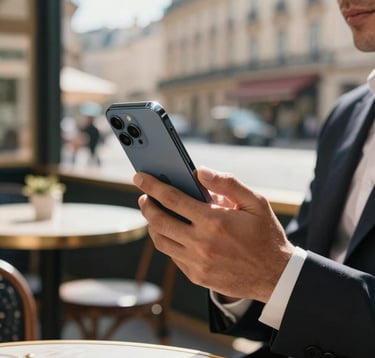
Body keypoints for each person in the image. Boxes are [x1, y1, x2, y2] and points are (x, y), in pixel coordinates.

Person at [133, 1, 375, 357]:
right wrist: (235, 274)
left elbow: (289, 275)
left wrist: (276, 274)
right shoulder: (345, 114)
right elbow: (303, 259)